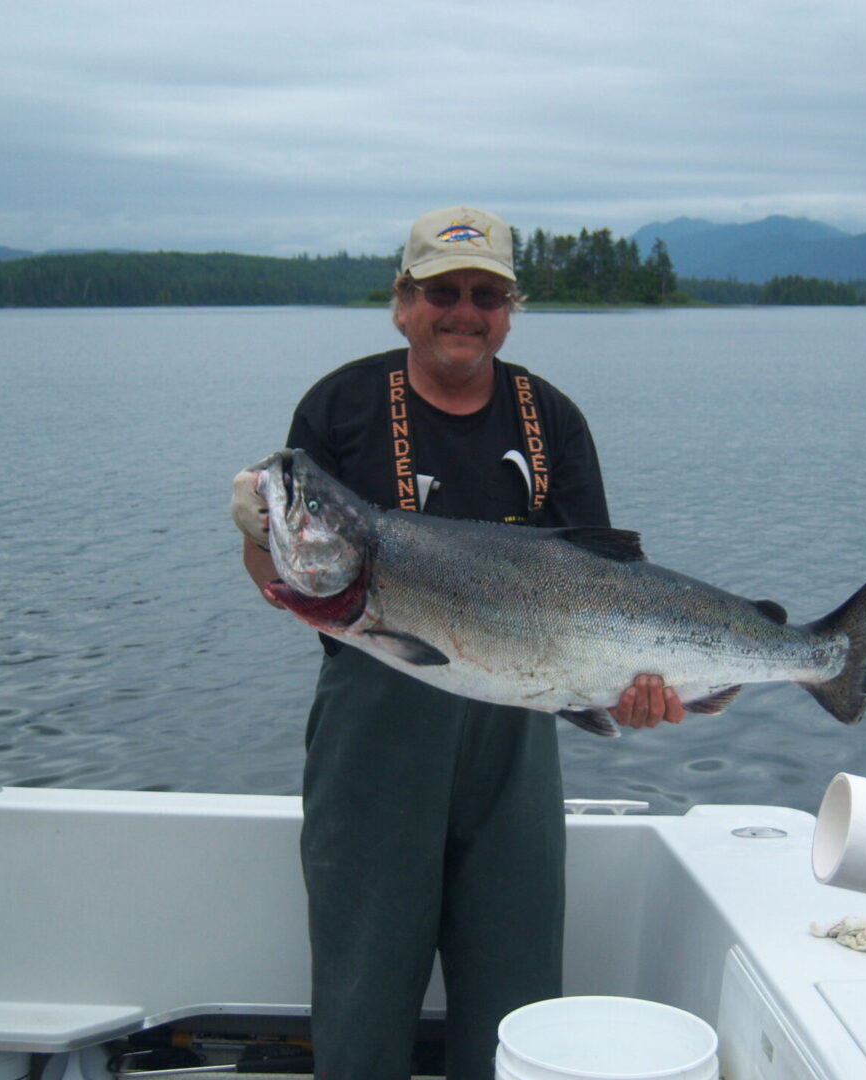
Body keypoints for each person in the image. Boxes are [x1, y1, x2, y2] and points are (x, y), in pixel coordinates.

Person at [235, 205, 684, 1080]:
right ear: (402, 302)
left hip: (518, 727)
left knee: (517, 986)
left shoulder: (551, 417)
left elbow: (606, 581)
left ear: (510, 309)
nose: (463, 312)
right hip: (374, 730)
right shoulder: (343, 405)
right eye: (442, 291)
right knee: (363, 987)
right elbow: (285, 581)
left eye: (486, 294)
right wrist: (255, 531)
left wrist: (633, 688)